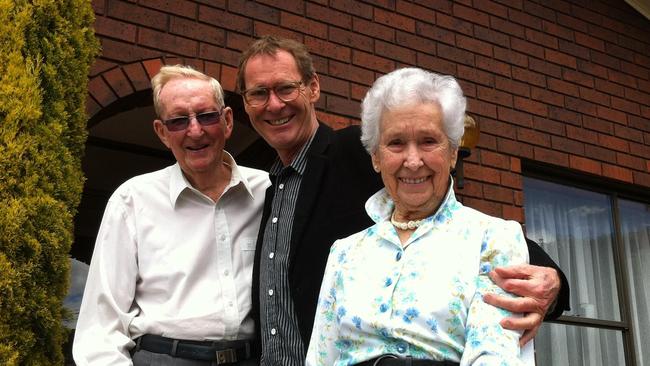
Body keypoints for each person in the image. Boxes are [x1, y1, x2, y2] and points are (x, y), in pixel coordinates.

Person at [235, 35, 569, 366]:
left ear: (313, 88)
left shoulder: (351, 151)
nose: (274, 104)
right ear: (246, 103)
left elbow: (472, 233)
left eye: (286, 88)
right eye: (259, 93)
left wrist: (550, 279)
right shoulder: (268, 183)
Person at [306, 67, 528, 365]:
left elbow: (494, 356)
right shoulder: (345, 251)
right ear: (376, 157)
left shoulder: (493, 239)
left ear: (452, 152)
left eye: (428, 141)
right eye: (396, 143)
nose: (412, 161)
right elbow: (321, 357)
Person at [73, 65, 269, 365]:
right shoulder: (133, 200)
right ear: (162, 133)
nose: (195, 130)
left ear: (227, 121)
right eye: (178, 120)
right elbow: (102, 323)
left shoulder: (267, 191)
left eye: (206, 115)